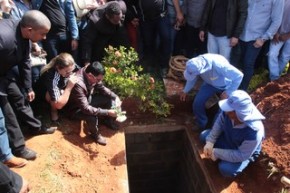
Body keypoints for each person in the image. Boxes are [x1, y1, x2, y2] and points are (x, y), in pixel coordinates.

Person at [0, 10, 51, 160]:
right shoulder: (4, 38)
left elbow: (25, 62)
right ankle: (18, 148)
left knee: (20, 98)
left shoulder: (25, 34)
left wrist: (28, 87)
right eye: (42, 34)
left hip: (5, 72)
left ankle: (35, 127)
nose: (44, 38)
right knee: (7, 112)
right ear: (30, 30)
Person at [200, 90, 265, 177]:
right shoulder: (228, 111)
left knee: (226, 169)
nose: (226, 112)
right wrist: (210, 141)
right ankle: (221, 156)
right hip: (228, 140)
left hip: (241, 152)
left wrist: (217, 153)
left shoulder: (254, 132)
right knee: (204, 136)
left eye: (230, 112)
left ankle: (223, 160)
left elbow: (241, 155)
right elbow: (219, 123)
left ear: (240, 114)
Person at [180, 53, 243, 130]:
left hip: (226, 86)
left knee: (222, 110)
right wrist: (185, 90)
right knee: (197, 103)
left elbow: (239, 76)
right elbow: (192, 77)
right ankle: (202, 124)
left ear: (201, 69)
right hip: (209, 84)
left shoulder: (219, 65)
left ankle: (213, 130)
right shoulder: (194, 62)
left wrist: (228, 92)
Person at [66, 61, 121, 146]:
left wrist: (115, 97)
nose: (99, 81)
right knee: (92, 117)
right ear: (90, 75)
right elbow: (85, 108)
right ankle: (96, 135)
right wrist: (107, 112)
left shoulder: (89, 73)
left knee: (109, 100)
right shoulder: (78, 84)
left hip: (86, 100)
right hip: (75, 109)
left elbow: (101, 88)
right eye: (98, 79)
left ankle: (108, 121)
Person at [237, 0, 284, 91]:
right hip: (241, 34)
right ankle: (235, 86)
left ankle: (242, 91)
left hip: (256, 38)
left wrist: (263, 38)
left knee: (248, 64)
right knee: (239, 63)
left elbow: (276, 21)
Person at [81, 1, 130, 65]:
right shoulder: (95, 20)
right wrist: (87, 61)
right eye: (115, 21)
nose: (118, 21)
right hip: (101, 40)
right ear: (107, 16)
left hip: (117, 32)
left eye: (119, 19)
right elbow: (87, 41)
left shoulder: (121, 6)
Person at [40, 53, 79, 123]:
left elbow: (81, 71)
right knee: (52, 95)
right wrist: (69, 87)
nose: (70, 74)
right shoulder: (51, 75)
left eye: (71, 70)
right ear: (58, 68)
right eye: (67, 72)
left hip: (61, 87)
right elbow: (58, 104)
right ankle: (53, 112)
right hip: (47, 93)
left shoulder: (70, 65)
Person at [267, 0, 290, 81]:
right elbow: (270, 15)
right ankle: (275, 78)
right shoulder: (278, 1)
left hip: (288, 35)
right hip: (277, 34)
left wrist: (288, 35)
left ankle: (275, 78)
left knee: (285, 57)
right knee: (272, 54)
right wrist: (274, 32)